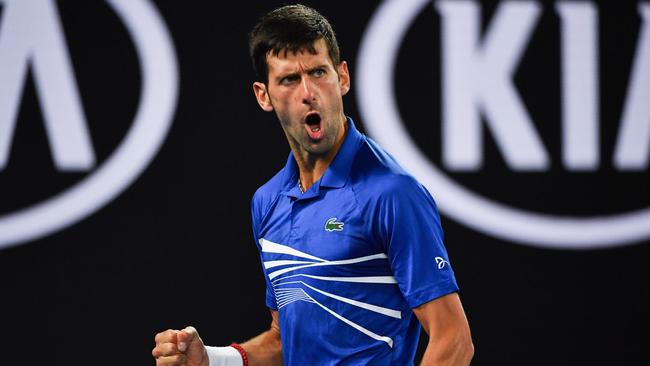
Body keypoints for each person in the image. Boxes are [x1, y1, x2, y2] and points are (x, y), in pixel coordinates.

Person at [152, 4, 474, 365]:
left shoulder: (392, 193)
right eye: (289, 79)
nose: (309, 92)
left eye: (319, 73)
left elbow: (453, 339)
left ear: (343, 77)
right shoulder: (267, 201)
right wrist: (211, 359)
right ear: (264, 95)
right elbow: (284, 338)